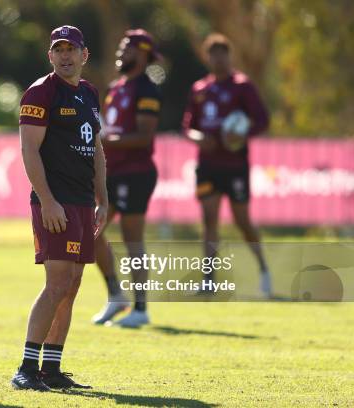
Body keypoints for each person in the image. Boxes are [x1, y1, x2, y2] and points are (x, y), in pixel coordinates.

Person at [10, 25, 107, 391]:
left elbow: (95, 148)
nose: (65, 55)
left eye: (72, 49)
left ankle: (51, 368)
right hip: (56, 202)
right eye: (58, 50)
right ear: (50, 56)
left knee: (73, 284)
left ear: (85, 55)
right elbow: (28, 150)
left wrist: (103, 199)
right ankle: (26, 367)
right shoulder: (41, 92)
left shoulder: (89, 94)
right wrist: (47, 200)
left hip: (83, 202)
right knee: (57, 283)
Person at [182, 33, 271, 296]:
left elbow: (262, 120)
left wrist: (240, 135)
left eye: (223, 53)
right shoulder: (200, 89)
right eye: (213, 54)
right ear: (207, 57)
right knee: (209, 218)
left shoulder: (242, 86)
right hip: (208, 164)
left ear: (229, 56)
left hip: (234, 165)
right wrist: (199, 138)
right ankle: (209, 279)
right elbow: (188, 126)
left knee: (242, 220)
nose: (218, 58)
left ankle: (264, 270)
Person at [92, 29, 162, 328]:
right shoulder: (115, 87)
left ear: (143, 53)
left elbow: (144, 137)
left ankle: (141, 307)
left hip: (136, 173)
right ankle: (115, 295)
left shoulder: (147, 88)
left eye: (127, 48)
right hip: (111, 171)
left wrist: (105, 140)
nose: (121, 52)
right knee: (90, 232)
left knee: (132, 239)